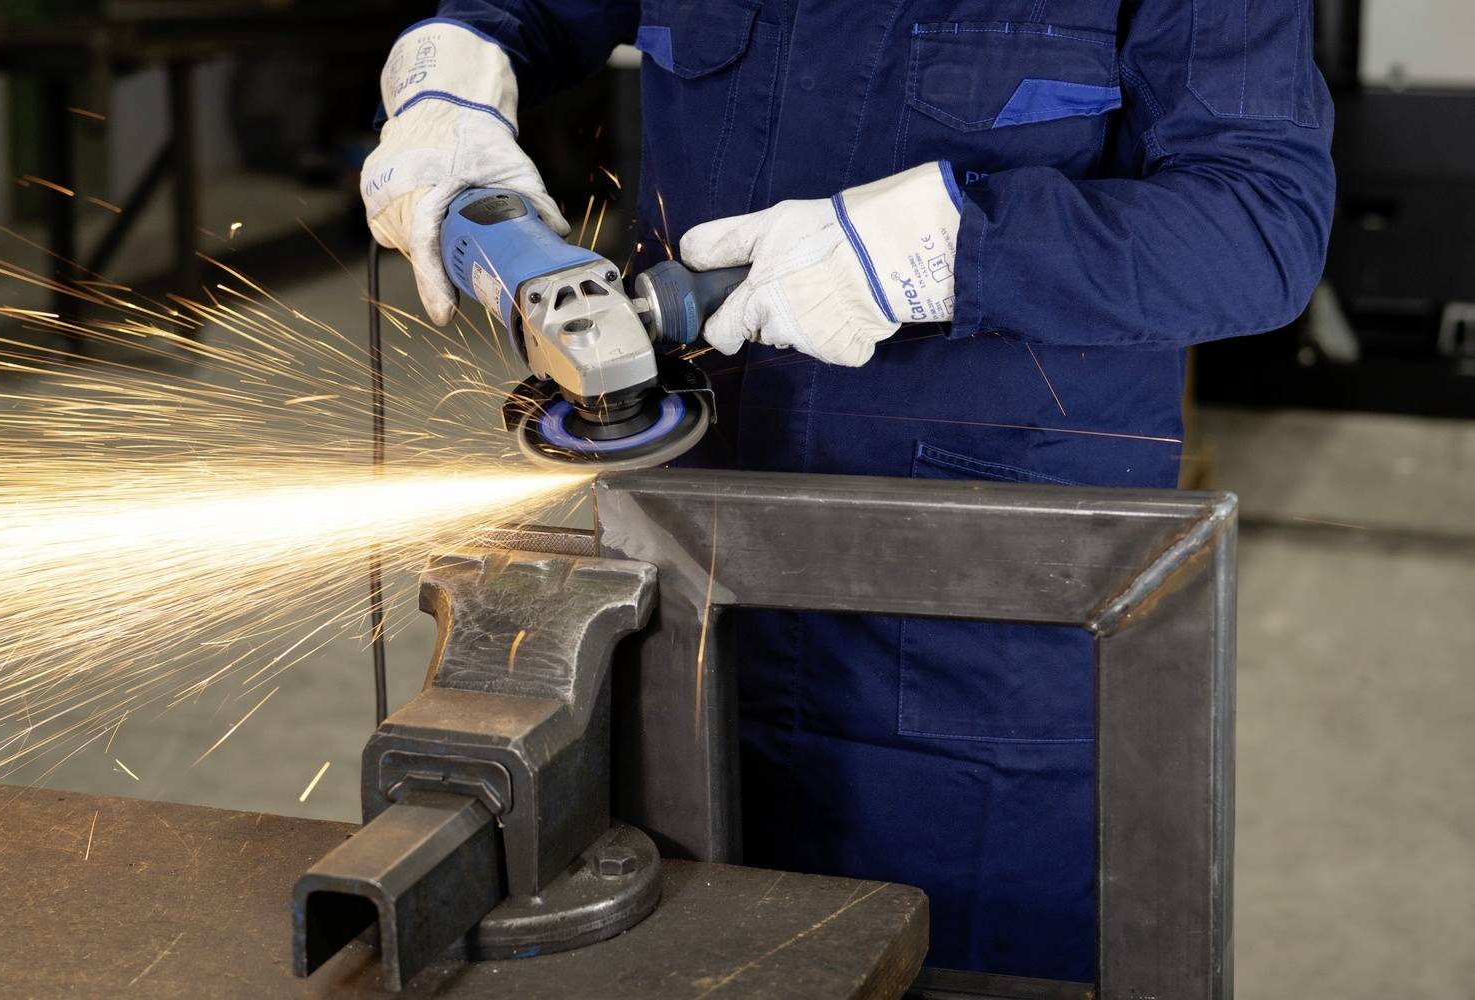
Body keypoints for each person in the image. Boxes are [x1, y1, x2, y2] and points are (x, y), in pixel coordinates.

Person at [362, 1, 1335, 980]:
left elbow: (1259, 224)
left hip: (981, 637)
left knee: (961, 968)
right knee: (677, 954)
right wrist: (452, 75)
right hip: (681, 577)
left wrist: (951, 248)